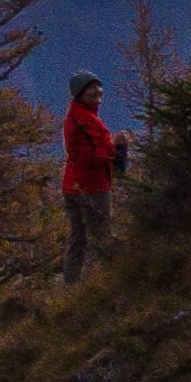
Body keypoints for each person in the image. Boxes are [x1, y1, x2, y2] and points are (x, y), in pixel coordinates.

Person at [59, 72, 124, 276]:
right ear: (80, 95)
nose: (97, 93)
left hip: (72, 185)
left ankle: (72, 285)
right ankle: (102, 282)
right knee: (100, 237)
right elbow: (92, 158)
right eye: (91, 91)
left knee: (78, 238)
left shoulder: (76, 116)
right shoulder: (85, 120)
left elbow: (83, 152)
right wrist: (115, 144)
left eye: (98, 89)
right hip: (91, 188)